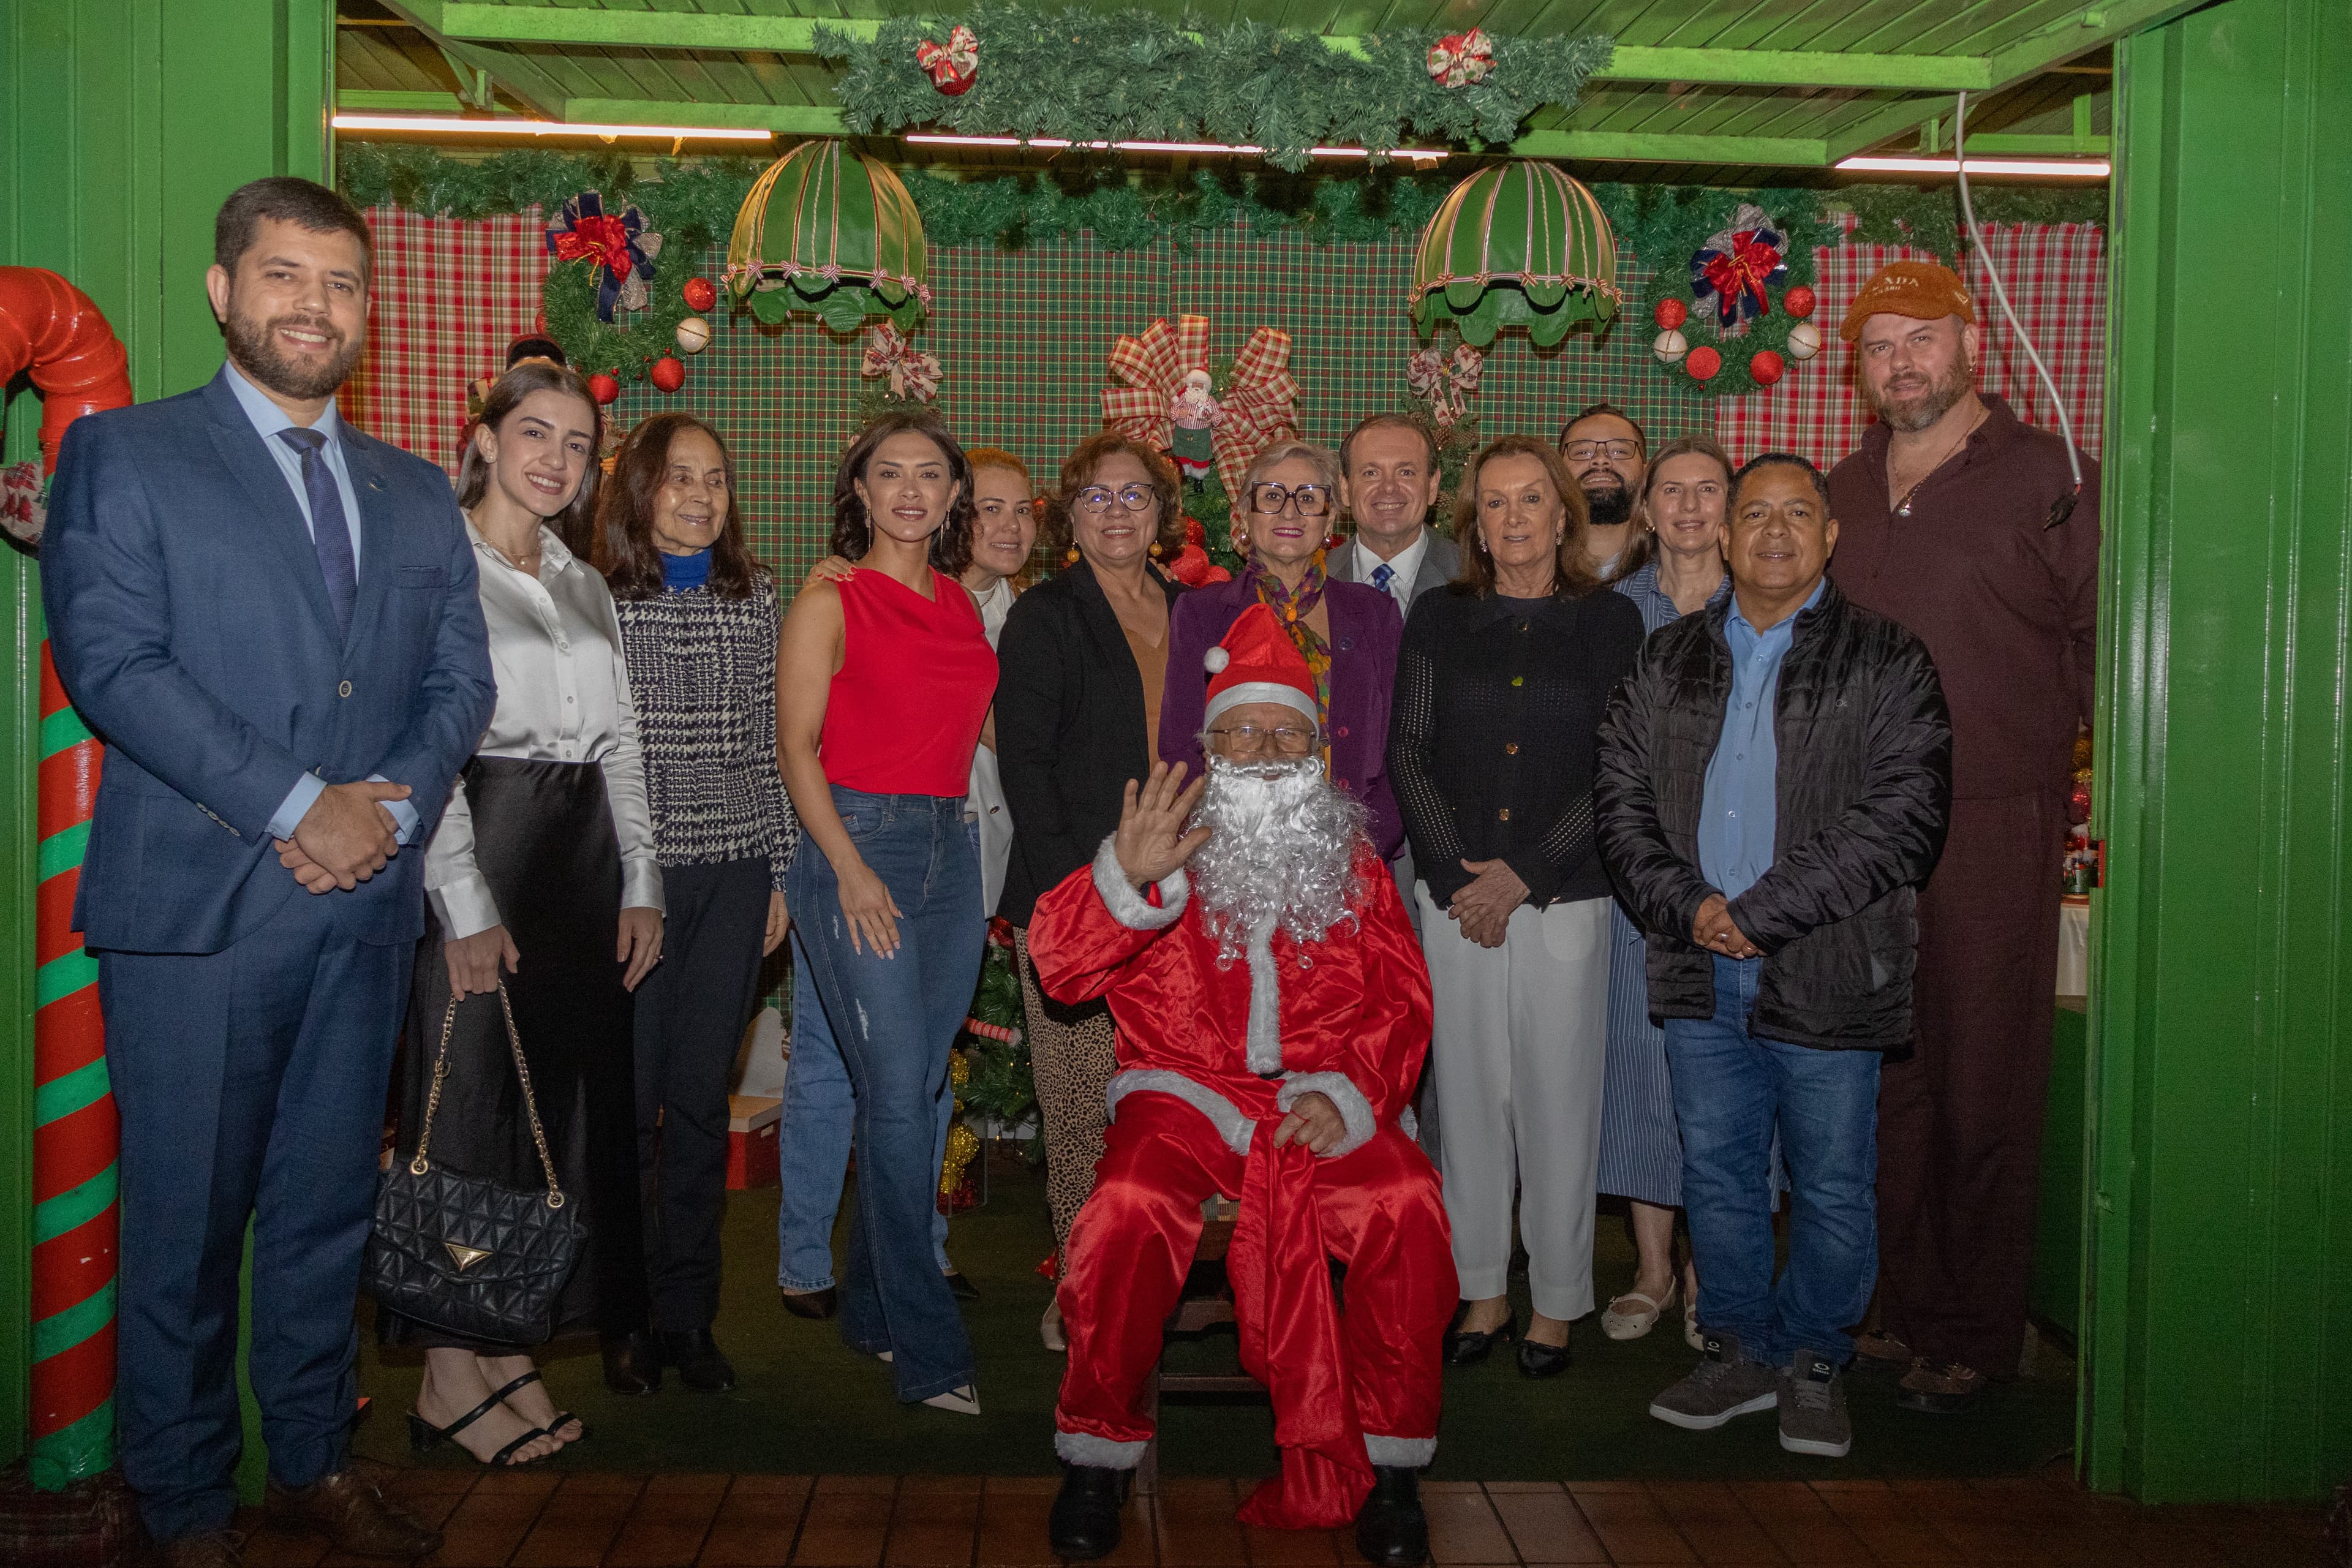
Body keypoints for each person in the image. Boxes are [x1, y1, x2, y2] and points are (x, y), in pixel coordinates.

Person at [42, 176, 493, 1559]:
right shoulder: (126, 455)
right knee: (183, 1231)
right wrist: (303, 804)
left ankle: (308, 1461)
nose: (316, 305)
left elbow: (458, 680)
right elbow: (114, 666)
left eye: (343, 282)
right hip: (198, 917)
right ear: (224, 292)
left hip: (359, 917)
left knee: (322, 1215)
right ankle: (181, 1501)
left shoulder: (418, 491)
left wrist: (384, 812)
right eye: (286, 277)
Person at [1032, 606, 1453, 1567]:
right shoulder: (1159, 845)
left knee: (1405, 1201)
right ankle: (1095, 1453)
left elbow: (1401, 1002)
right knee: (1128, 1206)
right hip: (1183, 1099)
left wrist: (1347, 1093)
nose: (1264, 750)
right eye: (1241, 731)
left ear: (1316, 747)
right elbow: (1060, 971)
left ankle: (1390, 1467)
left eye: (1286, 732)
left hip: (1319, 1103)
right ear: (1208, 743)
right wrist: (1122, 885)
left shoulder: (1352, 863)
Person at [1595, 453, 1952, 1462]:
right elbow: (1620, 801)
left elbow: (1906, 821)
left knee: (1834, 1179)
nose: (1775, 532)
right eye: (1756, 515)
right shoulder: (1665, 660)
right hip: (1699, 963)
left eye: (1799, 514)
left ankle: (1814, 1358)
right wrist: (1694, 907)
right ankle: (1741, 1348)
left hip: (1831, 964)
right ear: (1722, 532)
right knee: (1718, 1171)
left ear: (1833, 535)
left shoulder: (1889, 659)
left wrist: (1762, 911)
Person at [1826, 260, 2102, 1413]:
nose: (1901, 362)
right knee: (1882, 1076)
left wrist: (2057, 764)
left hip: (1993, 818)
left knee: (1986, 1075)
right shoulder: (1838, 488)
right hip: (1858, 836)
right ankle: (1893, 1301)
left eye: (1920, 338)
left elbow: (2101, 644)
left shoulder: (2053, 477)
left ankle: (1974, 1331)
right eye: (1880, 344)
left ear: (1972, 341)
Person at [380, 360, 666, 1455]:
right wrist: (461, 899)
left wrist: (640, 884)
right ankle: (452, 1373)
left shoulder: (583, 580)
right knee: (468, 1113)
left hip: (582, 864)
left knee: (556, 1119)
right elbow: (422, 745)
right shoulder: (430, 561)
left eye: (578, 445)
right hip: (482, 844)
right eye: (535, 433)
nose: (556, 459)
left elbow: (624, 745)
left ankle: (501, 1353)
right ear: (486, 437)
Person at [1387, 435, 1645, 1378]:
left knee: (1556, 1099)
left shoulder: (1611, 622)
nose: (1514, 519)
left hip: (1565, 895)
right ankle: (1483, 1287)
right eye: (1494, 505)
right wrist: (1459, 876)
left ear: (1563, 513)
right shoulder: (1439, 619)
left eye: (1531, 500)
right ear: (1476, 526)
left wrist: (1525, 874)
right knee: (1468, 1091)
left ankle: (1560, 1300)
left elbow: (1621, 766)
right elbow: (1407, 750)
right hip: (1454, 901)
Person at [773, 450, 1033, 1325]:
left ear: (951, 494)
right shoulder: (829, 598)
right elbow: (795, 749)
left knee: (921, 1078)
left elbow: (987, 728)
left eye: (931, 474)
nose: (911, 490)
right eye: (890, 473)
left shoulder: (960, 605)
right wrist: (848, 868)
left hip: (949, 847)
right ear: (860, 490)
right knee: (870, 1076)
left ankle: (903, 1257)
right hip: (860, 838)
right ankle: (850, 1273)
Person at [599, 413, 795, 1396]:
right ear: (639, 490)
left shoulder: (757, 596)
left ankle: (689, 1318)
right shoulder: (596, 601)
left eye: (716, 479)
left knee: (698, 1106)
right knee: (630, 1109)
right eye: (679, 478)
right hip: (633, 884)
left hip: (731, 877)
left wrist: (778, 872)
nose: (700, 496)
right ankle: (625, 1317)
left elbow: (771, 741)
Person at [996, 434, 1188, 1349]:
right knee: (1079, 1109)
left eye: (1135, 495)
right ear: (1069, 515)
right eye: (1097, 497)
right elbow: (1026, 771)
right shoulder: (1045, 614)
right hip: (1078, 901)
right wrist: (1097, 894)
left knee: (1166, 1110)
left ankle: (1159, 1281)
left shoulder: (1196, 611)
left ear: (1162, 512)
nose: (1118, 512)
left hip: (1184, 904)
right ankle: (1080, 1292)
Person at [1597, 436, 1734, 1349]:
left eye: (1707, 491)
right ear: (1644, 512)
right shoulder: (1611, 613)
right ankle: (1651, 1268)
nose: (1688, 508)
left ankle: (1710, 1274)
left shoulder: (1768, 599)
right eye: (1670, 493)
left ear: (1732, 506)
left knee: (1728, 1079)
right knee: (1641, 1070)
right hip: (1634, 874)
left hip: (1744, 875)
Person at [1161, 440, 1403, 860]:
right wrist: (1224, 845)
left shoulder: (1374, 614)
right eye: (1272, 496)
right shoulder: (1201, 613)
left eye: (1308, 498)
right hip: (1233, 857)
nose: (1290, 512)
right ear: (1244, 515)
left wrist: (1361, 850)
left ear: (1330, 519)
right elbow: (1181, 747)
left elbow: (1401, 750)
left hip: (1353, 855)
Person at [1325, 412, 1460, 611]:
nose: (1389, 487)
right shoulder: (1316, 578)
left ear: (1433, 486)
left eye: (1406, 472)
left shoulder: (1474, 577)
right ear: (1345, 488)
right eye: (1371, 473)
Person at [1557, 402, 1649, 582]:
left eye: (1619, 451)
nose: (1600, 460)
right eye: (1583, 452)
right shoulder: (1535, 565)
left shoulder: (1669, 568)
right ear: (1558, 471)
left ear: (1646, 471)